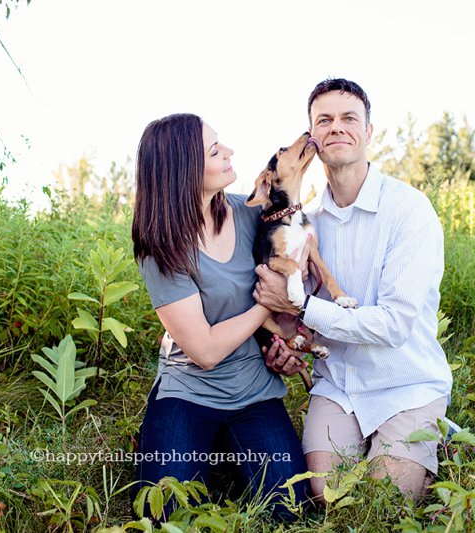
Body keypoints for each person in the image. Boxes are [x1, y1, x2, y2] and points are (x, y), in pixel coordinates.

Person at [253, 79, 453, 502]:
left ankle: (432, 437)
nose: (336, 128)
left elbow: (395, 324)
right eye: (323, 120)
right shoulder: (306, 222)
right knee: (329, 497)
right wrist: (290, 342)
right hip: (339, 385)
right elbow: (299, 319)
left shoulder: (409, 210)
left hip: (406, 384)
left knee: (384, 504)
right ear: (313, 136)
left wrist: (303, 307)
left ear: (369, 132)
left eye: (349, 118)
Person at [131, 113, 309, 520]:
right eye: (215, 150)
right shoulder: (162, 246)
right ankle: (197, 443)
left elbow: (291, 286)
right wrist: (267, 303)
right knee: (167, 515)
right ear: (184, 170)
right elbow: (205, 350)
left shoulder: (251, 214)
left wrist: (280, 344)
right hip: (188, 392)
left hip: (253, 390)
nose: (229, 152)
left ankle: (225, 450)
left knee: (290, 510)